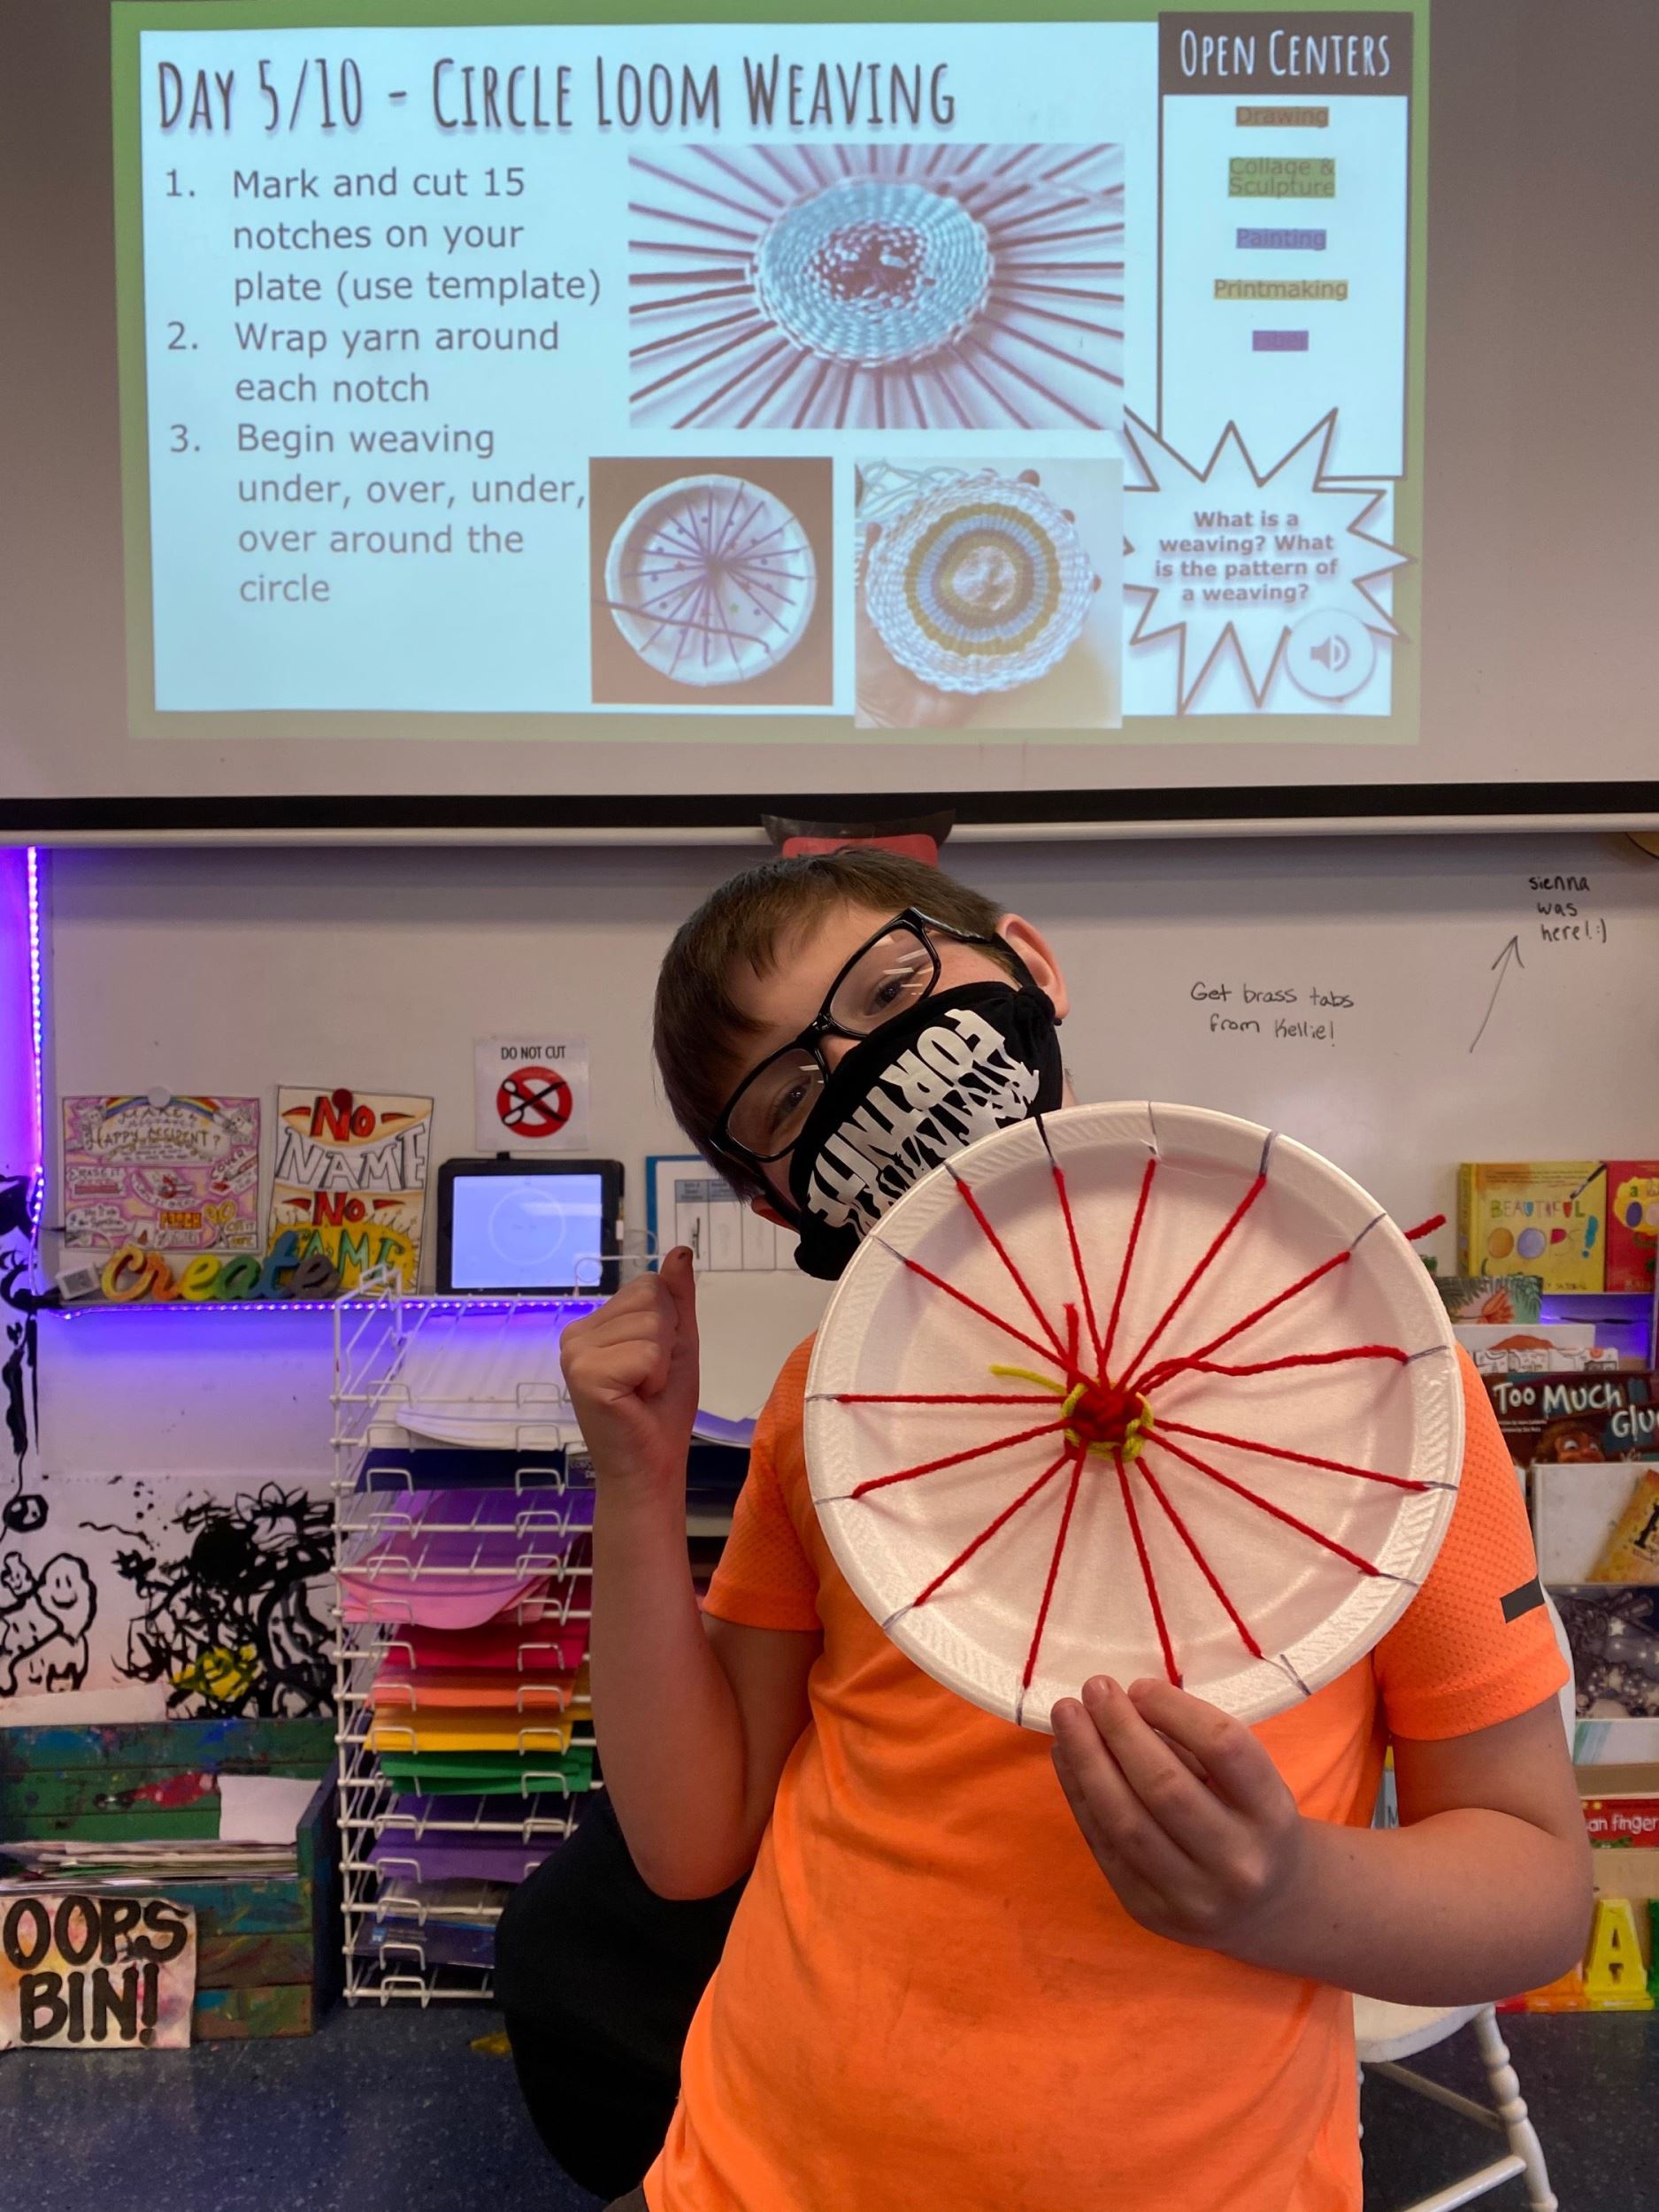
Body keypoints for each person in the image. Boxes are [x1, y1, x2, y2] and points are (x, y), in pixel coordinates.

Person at [552, 846, 1591, 2212]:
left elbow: (1534, 1889)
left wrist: (1284, 1889)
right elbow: (691, 1841)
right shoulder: (833, 1396)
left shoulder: (1374, 1366)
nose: (868, 1067)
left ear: (1030, 964)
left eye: (892, 991)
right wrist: (634, 1482)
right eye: (796, 1096)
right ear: (777, 1202)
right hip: (753, 2164)